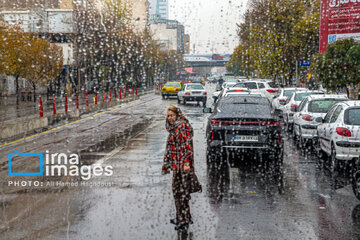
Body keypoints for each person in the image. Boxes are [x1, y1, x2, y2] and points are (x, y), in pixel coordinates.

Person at [162, 106, 194, 231]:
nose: (170, 118)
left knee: (180, 193)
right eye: (168, 116)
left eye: (172, 115)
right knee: (179, 192)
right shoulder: (175, 127)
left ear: (177, 115)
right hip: (177, 165)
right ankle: (183, 217)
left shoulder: (180, 127)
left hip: (182, 165)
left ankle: (183, 220)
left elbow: (186, 145)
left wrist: (186, 163)